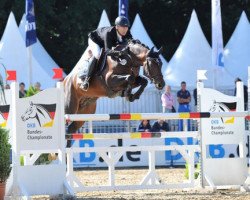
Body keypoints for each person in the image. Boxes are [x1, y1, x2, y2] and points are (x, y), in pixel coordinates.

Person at [79, 16, 133, 91]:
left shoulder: (127, 32)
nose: (125, 29)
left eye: (127, 27)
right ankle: (86, 80)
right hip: (95, 40)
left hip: (106, 42)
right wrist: (120, 53)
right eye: (123, 27)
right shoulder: (109, 33)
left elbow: (131, 42)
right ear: (117, 27)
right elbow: (107, 51)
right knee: (98, 54)